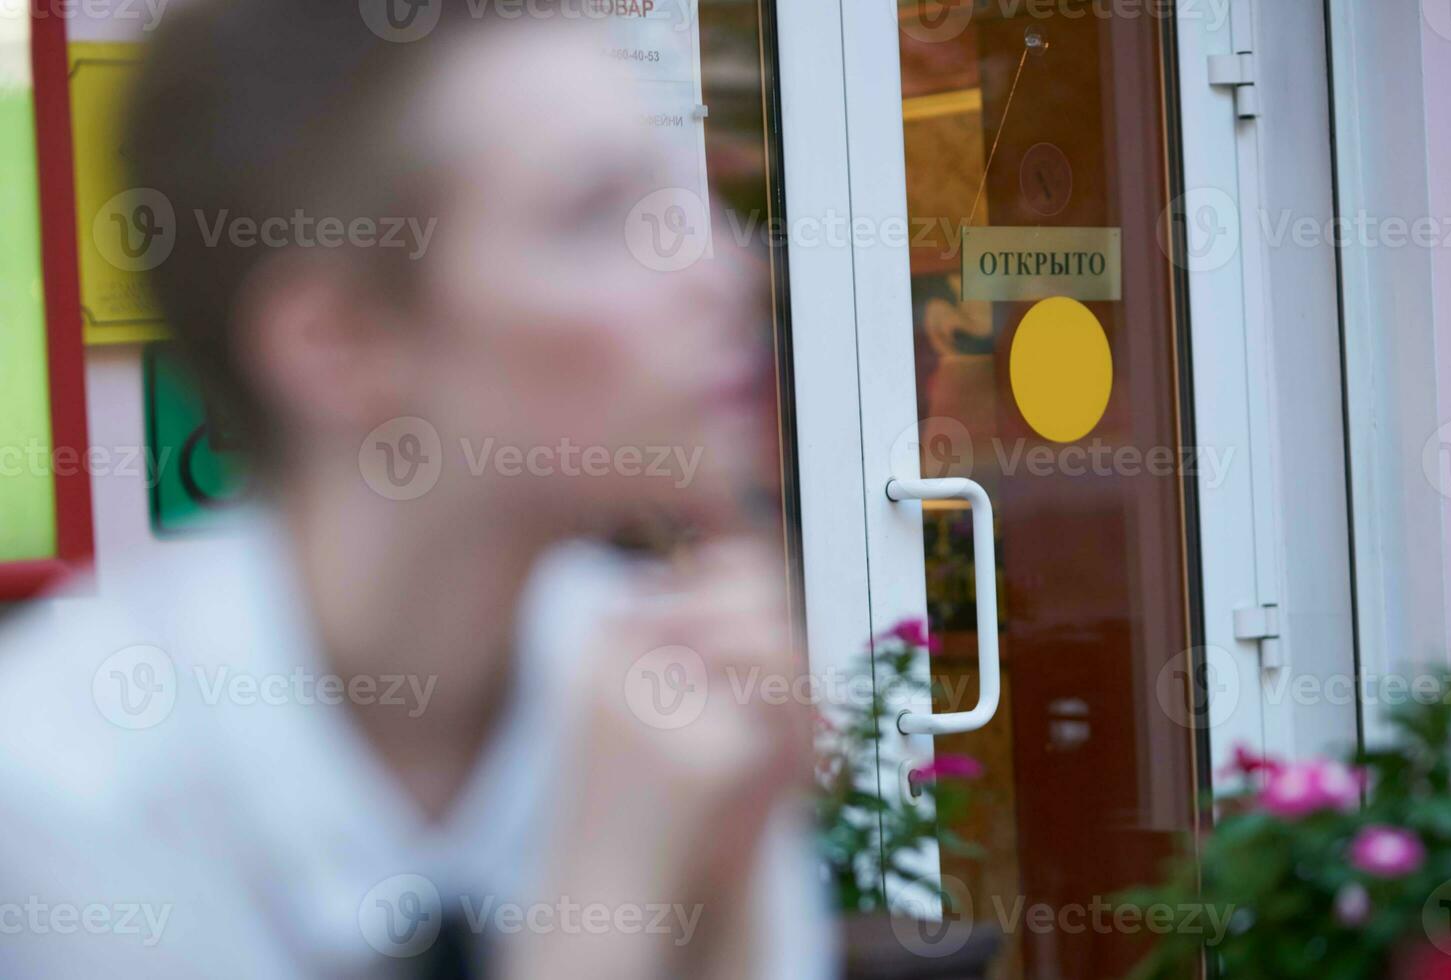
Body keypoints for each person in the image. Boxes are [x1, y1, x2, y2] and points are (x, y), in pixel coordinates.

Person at [0, 2, 831, 977]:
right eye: (597, 212)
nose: (726, 270)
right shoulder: (69, 771)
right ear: (339, 340)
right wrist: (611, 890)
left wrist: (719, 894)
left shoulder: (665, 697)